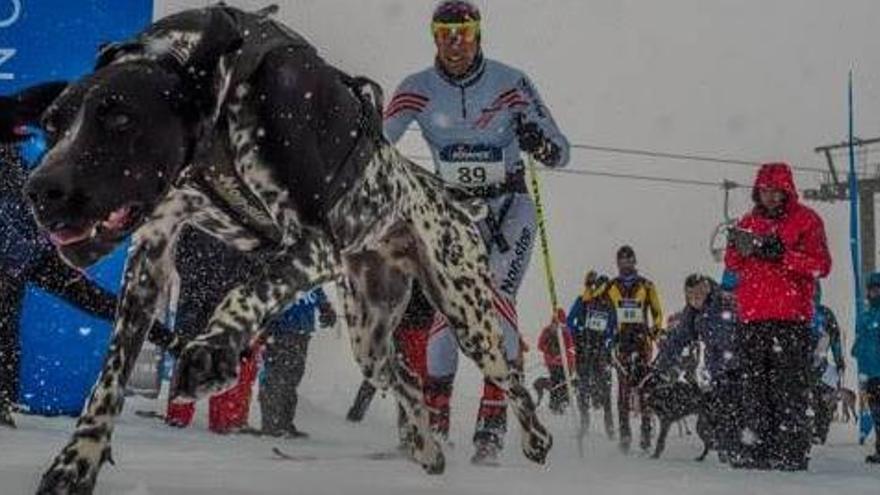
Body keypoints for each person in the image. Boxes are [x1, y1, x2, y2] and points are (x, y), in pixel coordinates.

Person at [384, 0, 570, 464]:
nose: (454, 43)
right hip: (452, 215)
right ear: (434, 36)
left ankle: (490, 430)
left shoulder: (511, 82)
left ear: (478, 34)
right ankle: (437, 425)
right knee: (449, 315)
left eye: (463, 31)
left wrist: (539, 142)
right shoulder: (416, 90)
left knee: (496, 305)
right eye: (445, 32)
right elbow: (374, 145)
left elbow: (561, 151)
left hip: (510, 209)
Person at [724, 161, 831, 471]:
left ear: (787, 191)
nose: (770, 197)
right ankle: (756, 448)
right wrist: (740, 246)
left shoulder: (807, 220)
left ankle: (791, 451)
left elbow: (821, 265)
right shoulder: (748, 222)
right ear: (758, 191)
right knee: (754, 387)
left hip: (790, 320)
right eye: (765, 190)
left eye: (776, 191)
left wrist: (783, 254)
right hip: (753, 318)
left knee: (789, 388)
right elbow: (733, 264)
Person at [164, 226, 262, 434]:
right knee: (231, 355)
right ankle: (226, 418)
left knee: (190, 352)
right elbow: (256, 262)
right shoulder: (242, 220)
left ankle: (179, 412)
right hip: (227, 299)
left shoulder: (200, 218)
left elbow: (180, 254)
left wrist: (196, 278)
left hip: (197, 295)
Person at [653, 274, 740, 462]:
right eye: (690, 295)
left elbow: (735, 333)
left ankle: (737, 450)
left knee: (734, 409)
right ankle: (729, 451)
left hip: (739, 366)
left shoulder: (724, 302)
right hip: (718, 370)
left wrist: (735, 361)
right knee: (722, 410)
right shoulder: (693, 313)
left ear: (707, 290)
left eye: (699, 293)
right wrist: (660, 366)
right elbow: (678, 339)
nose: (695, 299)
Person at [606, 245, 664, 453]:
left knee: (645, 387)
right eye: (622, 261)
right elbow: (607, 314)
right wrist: (608, 338)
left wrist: (654, 333)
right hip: (621, 342)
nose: (626, 264)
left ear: (634, 261)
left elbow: (657, 312)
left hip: (641, 343)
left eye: (629, 260)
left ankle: (646, 433)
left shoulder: (647, 285)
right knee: (623, 388)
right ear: (617, 263)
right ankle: (625, 435)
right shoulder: (611, 287)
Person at [258, 287, 336, 438]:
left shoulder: (309, 273)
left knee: (292, 378)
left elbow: (316, 288)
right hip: (280, 332)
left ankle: (285, 423)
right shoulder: (281, 271)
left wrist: (325, 307)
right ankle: (271, 424)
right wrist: (267, 323)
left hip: (302, 332)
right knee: (275, 377)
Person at [566, 271, 616, 439]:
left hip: (601, 351)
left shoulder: (610, 306)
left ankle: (609, 426)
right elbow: (569, 320)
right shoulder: (583, 301)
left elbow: (614, 327)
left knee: (605, 388)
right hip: (584, 349)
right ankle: (584, 423)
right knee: (583, 387)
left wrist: (609, 341)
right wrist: (577, 335)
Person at [809, 283, 845, 445]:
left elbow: (835, 338)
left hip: (820, 365)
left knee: (822, 398)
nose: (813, 294)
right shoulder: (798, 310)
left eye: (815, 290)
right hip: (798, 362)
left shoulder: (825, 313)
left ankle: (820, 430)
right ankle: (803, 430)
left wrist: (839, 359)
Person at [852, 272, 880, 464]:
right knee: (876, 412)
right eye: (872, 289)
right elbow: (860, 342)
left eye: (877, 289)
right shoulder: (864, 316)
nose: (874, 292)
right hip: (869, 373)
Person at [536, 310, 575, 415]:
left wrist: (549, 352)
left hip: (552, 363)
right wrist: (568, 361)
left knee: (556, 383)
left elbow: (540, 345)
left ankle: (555, 405)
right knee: (562, 384)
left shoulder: (547, 330)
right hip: (562, 364)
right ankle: (561, 404)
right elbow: (570, 348)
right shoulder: (566, 331)